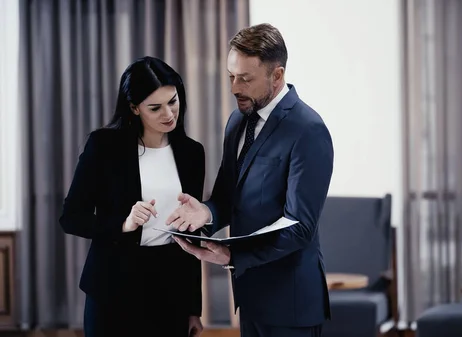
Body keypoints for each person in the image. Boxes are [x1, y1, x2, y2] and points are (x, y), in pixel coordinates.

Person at [168, 23, 333, 337]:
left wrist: (233, 255)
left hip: (291, 304)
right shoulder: (237, 121)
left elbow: (300, 227)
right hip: (250, 297)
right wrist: (206, 212)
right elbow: (227, 195)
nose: (234, 88)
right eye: (231, 76)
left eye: (245, 78)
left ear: (277, 75)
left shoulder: (308, 130)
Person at [59, 56, 205, 337]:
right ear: (134, 108)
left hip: (169, 290)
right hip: (114, 289)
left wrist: (192, 308)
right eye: (155, 107)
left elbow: (192, 235)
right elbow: (71, 218)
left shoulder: (192, 153)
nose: (169, 114)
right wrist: (123, 224)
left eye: (173, 101)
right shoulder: (103, 146)